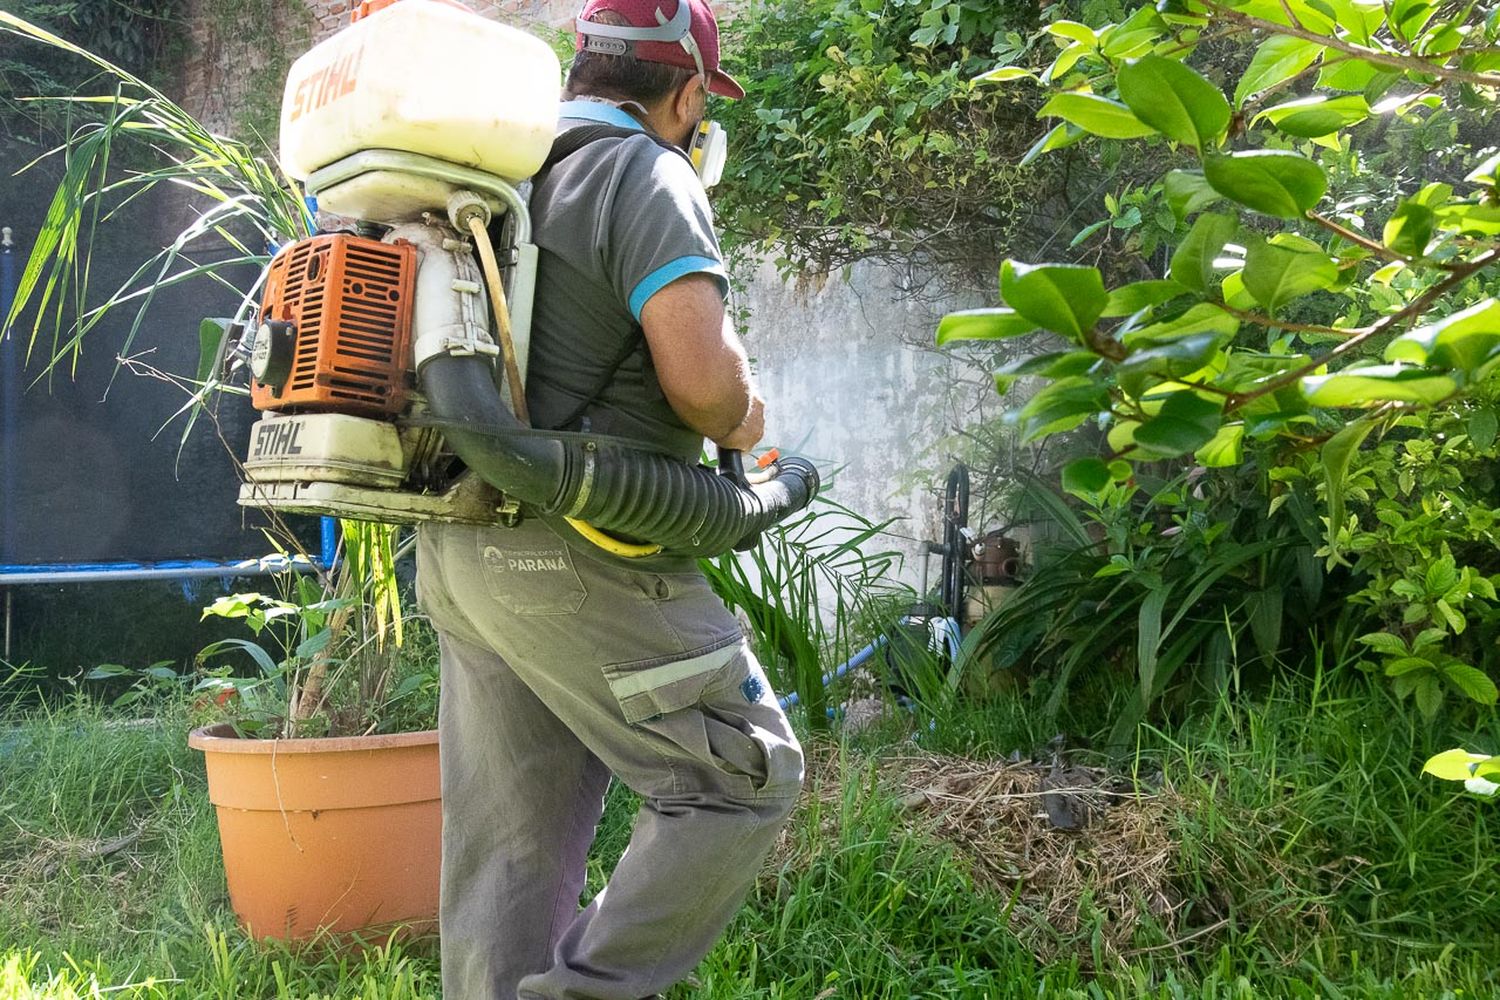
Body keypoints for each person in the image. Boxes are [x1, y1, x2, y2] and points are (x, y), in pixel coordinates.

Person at [414, 2, 805, 998]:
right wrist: (753, 417)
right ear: (687, 95)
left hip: (461, 546)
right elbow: (704, 387)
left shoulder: (498, 172)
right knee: (745, 776)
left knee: (514, 840)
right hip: (579, 552)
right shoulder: (646, 173)